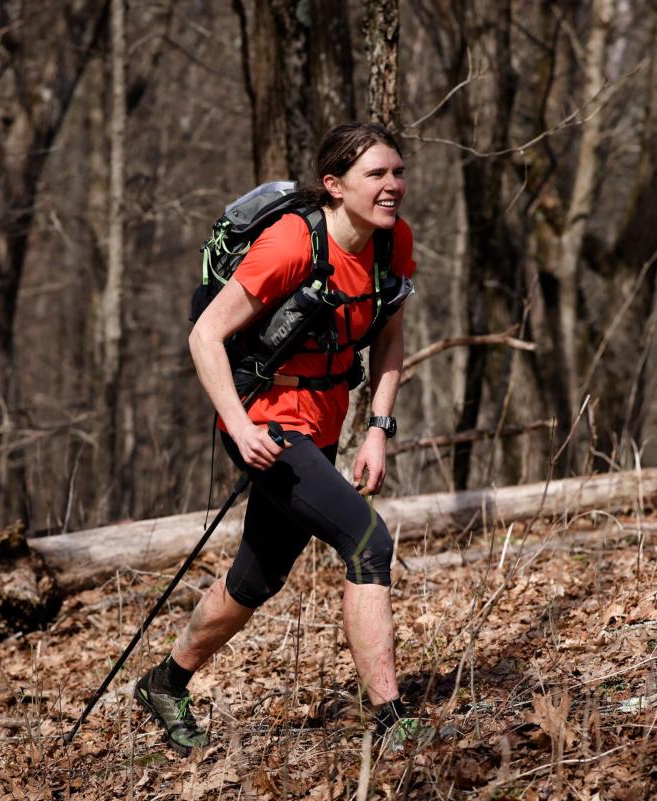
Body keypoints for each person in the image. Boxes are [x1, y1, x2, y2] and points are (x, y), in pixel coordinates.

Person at [135, 123, 421, 755]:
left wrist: (377, 428)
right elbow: (205, 336)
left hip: (322, 422)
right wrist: (239, 425)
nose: (392, 186)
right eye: (376, 175)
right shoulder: (292, 242)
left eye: (397, 172)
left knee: (256, 579)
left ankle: (166, 681)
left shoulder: (390, 242)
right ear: (334, 185)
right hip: (262, 423)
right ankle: (391, 718)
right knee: (368, 541)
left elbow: (390, 337)